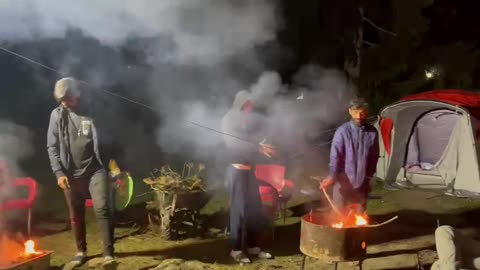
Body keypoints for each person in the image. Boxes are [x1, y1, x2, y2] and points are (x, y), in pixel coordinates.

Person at [47, 77, 115, 268]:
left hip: (95, 170)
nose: (65, 103)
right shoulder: (56, 115)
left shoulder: (91, 111)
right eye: (62, 100)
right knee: (75, 214)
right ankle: (81, 251)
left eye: (68, 99)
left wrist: (113, 164)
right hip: (69, 174)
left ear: (77, 95)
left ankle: (108, 253)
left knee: (102, 209)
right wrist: (59, 172)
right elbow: (51, 146)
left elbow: (108, 140)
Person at [221, 90, 275, 264]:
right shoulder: (229, 119)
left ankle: (252, 246)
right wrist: (258, 148)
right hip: (236, 171)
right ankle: (236, 250)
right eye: (248, 104)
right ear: (241, 103)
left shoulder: (247, 120)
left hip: (249, 171)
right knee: (239, 211)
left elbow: (251, 141)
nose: (251, 107)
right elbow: (233, 142)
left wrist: (261, 145)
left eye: (251, 104)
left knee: (254, 209)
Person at [320, 98, 379, 215]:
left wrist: (369, 176)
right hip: (343, 180)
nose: (359, 115)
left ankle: (359, 232)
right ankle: (338, 232)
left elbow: (374, 155)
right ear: (350, 111)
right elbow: (335, 156)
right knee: (339, 213)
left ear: (366, 112)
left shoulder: (372, 132)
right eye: (356, 111)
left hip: (362, 180)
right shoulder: (342, 131)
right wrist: (332, 176)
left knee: (360, 214)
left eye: (362, 111)